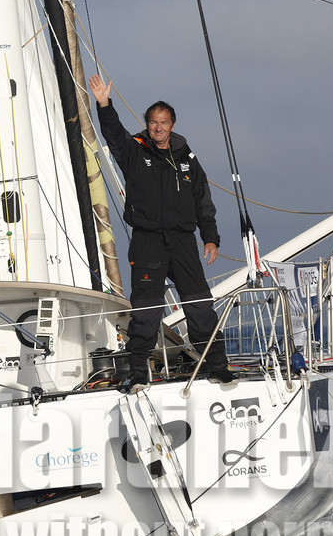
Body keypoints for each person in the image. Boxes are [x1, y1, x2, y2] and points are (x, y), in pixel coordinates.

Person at [89, 73, 235, 386]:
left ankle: (217, 365)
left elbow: (203, 202)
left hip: (183, 243)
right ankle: (138, 373)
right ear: (147, 124)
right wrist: (104, 103)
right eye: (154, 122)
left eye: (164, 122)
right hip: (148, 243)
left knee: (200, 307)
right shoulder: (134, 152)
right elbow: (114, 135)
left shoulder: (187, 159)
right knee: (146, 312)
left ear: (172, 125)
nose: (158, 127)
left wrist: (210, 239)